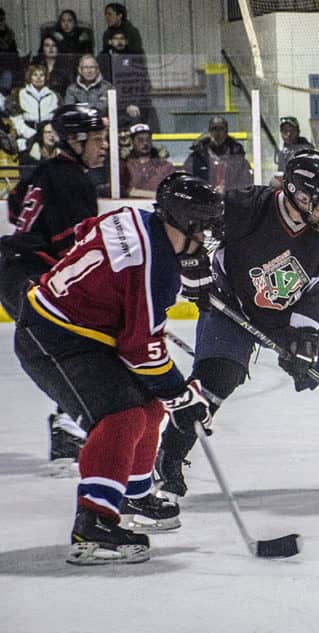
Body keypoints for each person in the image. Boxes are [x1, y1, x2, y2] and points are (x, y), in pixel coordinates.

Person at [154, 150, 319, 504]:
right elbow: (191, 224)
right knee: (215, 380)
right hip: (232, 307)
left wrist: (304, 334)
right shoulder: (246, 207)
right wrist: (194, 268)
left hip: (291, 311)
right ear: (300, 196)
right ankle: (168, 458)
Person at [14, 173, 223, 565]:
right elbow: (140, 349)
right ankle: (94, 523)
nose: (207, 235)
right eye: (204, 225)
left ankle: (134, 493)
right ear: (184, 222)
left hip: (82, 330)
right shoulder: (155, 266)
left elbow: (87, 234)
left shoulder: (133, 217)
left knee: (150, 406)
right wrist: (182, 395)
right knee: (120, 416)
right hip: (52, 338)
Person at [1, 104, 108, 469]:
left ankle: (70, 423)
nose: (104, 146)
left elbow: (16, 211)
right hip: (32, 274)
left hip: (14, 269)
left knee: (73, 341)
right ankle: (69, 425)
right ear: (76, 141)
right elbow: (72, 246)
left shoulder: (44, 170)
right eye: (96, 139)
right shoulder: (72, 179)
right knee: (79, 341)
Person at [99, 28, 156, 130]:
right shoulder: (103, 59)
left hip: (132, 104)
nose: (119, 41)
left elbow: (142, 84)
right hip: (111, 103)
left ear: (126, 41)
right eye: (116, 38)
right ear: (110, 41)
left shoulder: (134, 57)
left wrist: (133, 103)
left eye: (122, 38)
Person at [184, 116, 252, 193]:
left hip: (231, 200)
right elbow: (189, 183)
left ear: (226, 133)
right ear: (209, 132)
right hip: (203, 200)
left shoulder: (237, 157)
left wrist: (227, 192)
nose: (218, 133)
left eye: (221, 129)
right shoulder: (196, 158)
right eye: (214, 129)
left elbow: (245, 183)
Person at [122, 122, 174, 197]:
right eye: (140, 140)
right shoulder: (125, 166)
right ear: (132, 141)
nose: (145, 143)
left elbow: (172, 191)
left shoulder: (165, 166)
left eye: (148, 139)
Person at [16, 64, 59, 152]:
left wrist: (47, 135)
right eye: (35, 75)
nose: (38, 78)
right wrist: (30, 134)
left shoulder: (53, 95)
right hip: (27, 135)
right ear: (30, 77)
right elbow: (16, 119)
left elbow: (57, 119)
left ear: (46, 77)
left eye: (42, 75)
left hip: (48, 137)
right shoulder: (20, 94)